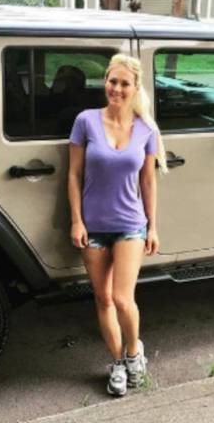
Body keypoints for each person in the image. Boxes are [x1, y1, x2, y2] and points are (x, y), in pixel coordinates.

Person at [67, 53, 167, 396]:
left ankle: (134, 353)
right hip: (93, 226)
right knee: (103, 298)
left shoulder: (146, 130)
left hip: (130, 225)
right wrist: (77, 220)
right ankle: (118, 363)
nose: (117, 89)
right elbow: (74, 174)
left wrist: (153, 227)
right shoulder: (86, 121)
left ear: (135, 87)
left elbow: (148, 182)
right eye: (112, 81)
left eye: (125, 83)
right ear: (105, 83)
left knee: (123, 299)